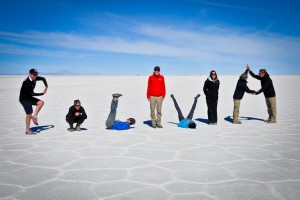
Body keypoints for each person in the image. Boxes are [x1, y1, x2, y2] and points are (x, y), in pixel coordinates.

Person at [19, 68, 48, 135]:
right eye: (34, 74)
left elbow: (43, 78)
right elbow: (31, 93)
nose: (36, 76)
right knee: (29, 114)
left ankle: (34, 116)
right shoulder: (26, 82)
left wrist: (46, 86)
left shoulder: (35, 78)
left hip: (29, 97)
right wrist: (42, 93)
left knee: (41, 102)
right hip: (24, 99)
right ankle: (27, 131)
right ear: (30, 74)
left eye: (37, 74)